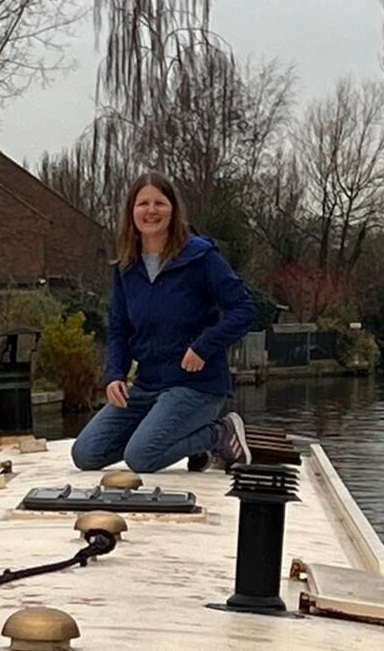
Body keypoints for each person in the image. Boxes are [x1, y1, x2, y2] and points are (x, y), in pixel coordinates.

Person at [72, 171, 255, 474]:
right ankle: (173, 437)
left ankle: (218, 433)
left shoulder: (200, 257)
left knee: (141, 458)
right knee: (86, 455)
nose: (151, 210)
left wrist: (204, 347)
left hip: (196, 385)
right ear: (132, 212)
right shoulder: (126, 268)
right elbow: (118, 329)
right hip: (148, 386)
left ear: (173, 210)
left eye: (160, 203)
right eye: (143, 203)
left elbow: (244, 310)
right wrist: (115, 374)